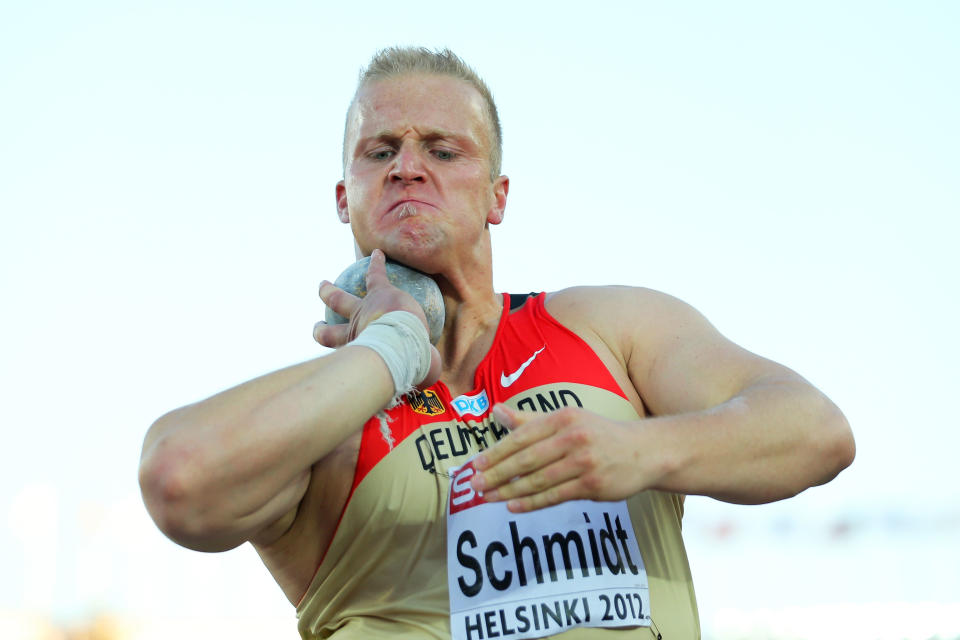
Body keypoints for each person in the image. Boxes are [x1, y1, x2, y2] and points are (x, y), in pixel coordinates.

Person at [139, 47, 855, 639]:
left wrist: (637, 451)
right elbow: (180, 477)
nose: (406, 167)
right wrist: (391, 349)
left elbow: (815, 431)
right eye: (380, 150)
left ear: (497, 195)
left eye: (444, 151)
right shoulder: (323, 418)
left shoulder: (607, 328)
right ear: (343, 196)